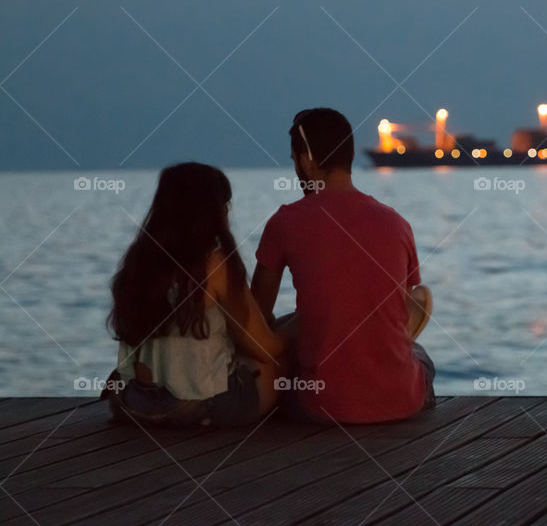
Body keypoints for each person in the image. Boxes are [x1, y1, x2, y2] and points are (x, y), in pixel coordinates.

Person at [251, 108, 435, 424]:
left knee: (289, 350)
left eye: (295, 160)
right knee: (421, 357)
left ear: (306, 160)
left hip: (322, 407)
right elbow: (395, 303)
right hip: (402, 401)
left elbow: (256, 313)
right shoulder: (396, 223)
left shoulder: (285, 222)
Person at [104, 163, 285, 427]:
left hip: (133, 405)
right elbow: (264, 348)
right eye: (225, 204)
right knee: (275, 367)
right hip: (198, 409)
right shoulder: (215, 264)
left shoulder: (138, 262)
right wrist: (296, 333)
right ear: (214, 211)